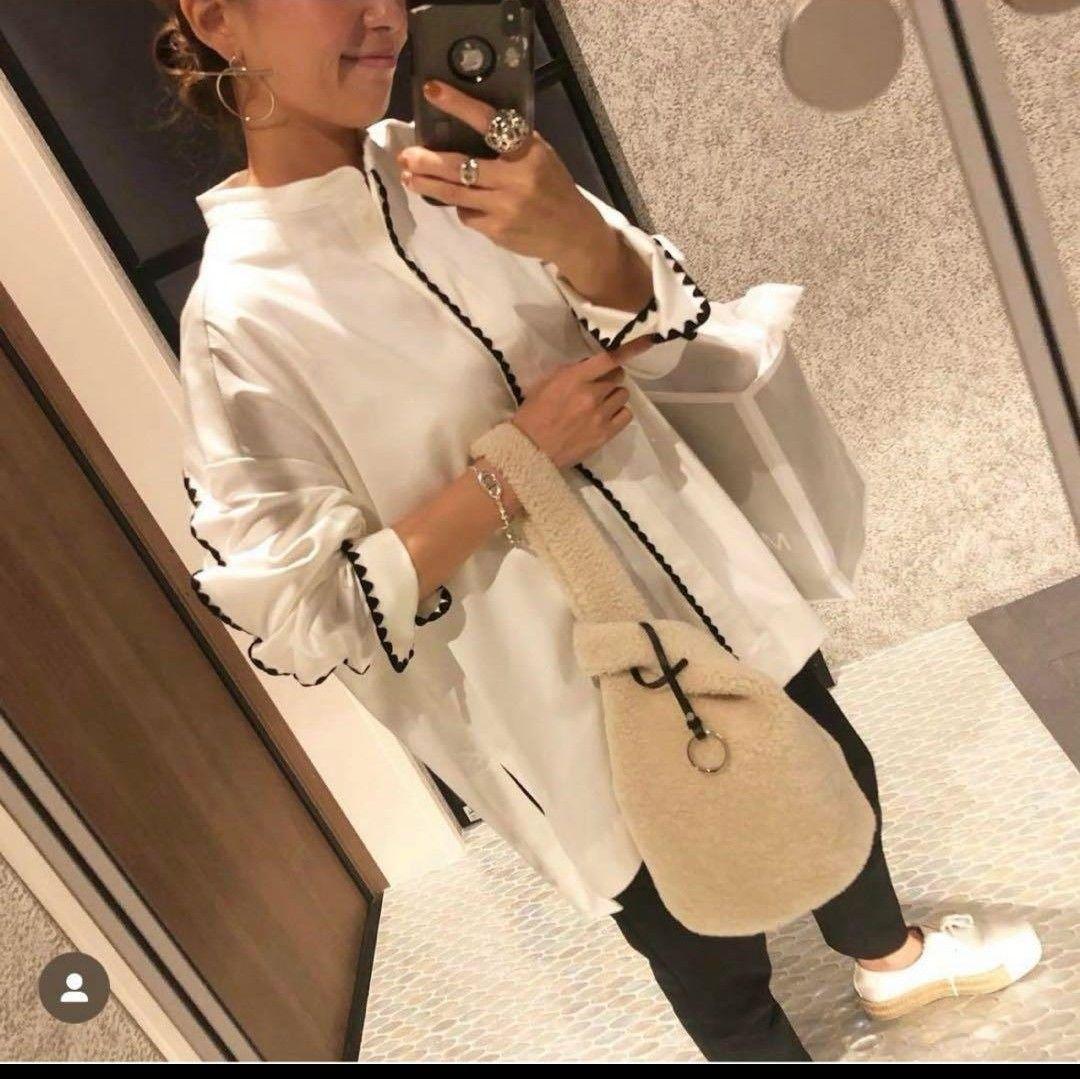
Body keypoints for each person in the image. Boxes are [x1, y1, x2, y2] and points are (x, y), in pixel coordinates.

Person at [156, 0, 1042, 1062]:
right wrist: (513, 468)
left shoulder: (470, 162)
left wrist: (576, 234)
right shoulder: (241, 317)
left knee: (832, 774)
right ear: (219, 20)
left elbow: (676, 336)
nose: (382, 13)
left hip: (706, 573)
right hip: (566, 693)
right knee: (696, 938)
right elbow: (305, 615)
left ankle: (894, 962)